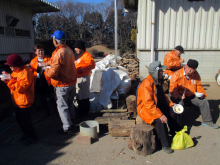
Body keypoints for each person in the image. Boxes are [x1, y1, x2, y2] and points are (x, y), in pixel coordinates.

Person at [136, 61, 182, 154]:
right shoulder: (147, 84)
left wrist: (170, 104)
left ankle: (175, 133)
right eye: (161, 70)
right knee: (160, 120)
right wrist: (160, 115)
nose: (163, 72)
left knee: (173, 111)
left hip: (156, 106)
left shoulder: (158, 81)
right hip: (146, 109)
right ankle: (164, 144)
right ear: (155, 72)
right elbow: (148, 104)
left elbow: (163, 96)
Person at [170, 59, 220, 129]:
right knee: (179, 106)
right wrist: (178, 96)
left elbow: (198, 85)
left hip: (192, 96)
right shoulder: (176, 74)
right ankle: (178, 125)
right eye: (188, 68)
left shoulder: (195, 74)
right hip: (180, 96)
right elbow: (172, 89)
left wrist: (201, 93)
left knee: (204, 101)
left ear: (195, 69)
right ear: (186, 66)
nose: (189, 71)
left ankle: (208, 121)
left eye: (192, 70)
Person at [1, 54, 38, 145]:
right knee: (19, 119)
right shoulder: (16, 72)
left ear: (18, 65)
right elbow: (14, 80)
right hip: (17, 101)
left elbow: (21, 87)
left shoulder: (26, 72)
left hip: (24, 101)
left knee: (25, 120)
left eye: (12, 66)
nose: (11, 68)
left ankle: (33, 136)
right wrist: (8, 77)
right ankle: (26, 133)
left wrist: (9, 80)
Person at [45, 30, 77, 134]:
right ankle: (72, 120)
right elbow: (58, 62)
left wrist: (45, 70)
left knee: (62, 106)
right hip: (71, 82)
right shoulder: (68, 50)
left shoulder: (58, 53)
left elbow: (53, 73)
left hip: (62, 84)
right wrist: (48, 62)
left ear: (55, 40)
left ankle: (67, 127)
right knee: (70, 103)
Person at [30, 44, 55, 117]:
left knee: (52, 98)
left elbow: (53, 67)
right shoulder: (33, 61)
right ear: (35, 52)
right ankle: (46, 113)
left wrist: (47, 67)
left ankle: (57, 112)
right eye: (39, 50)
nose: (41, 52)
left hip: (48, 82)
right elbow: (32, 70)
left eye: (42, 50)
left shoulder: (49, 59)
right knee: (43, 99)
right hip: (39, 82)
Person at [74, 40, 95, 118]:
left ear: (81, 48)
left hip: (83, 78)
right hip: (77, 78)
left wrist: (80, 69)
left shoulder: (87, 55)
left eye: (77, 48)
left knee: (84, 97)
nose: (75, 49)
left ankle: (85, 113)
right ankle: (80, 112)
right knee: (79, 96)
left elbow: (91, 65)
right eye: (75, 48)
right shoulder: (76, 55)